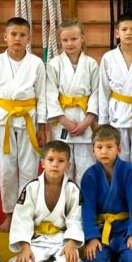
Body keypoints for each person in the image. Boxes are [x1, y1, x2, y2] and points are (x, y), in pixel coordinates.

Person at [0, 16, 47, 232]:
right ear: (5, 37)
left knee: (29, 169)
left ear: (29, 38)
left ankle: (26, 214)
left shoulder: (37, 63)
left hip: (29, 118)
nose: (17, 39)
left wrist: (42, 126)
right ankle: (10, 214)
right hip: (3, 120)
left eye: (22, 35)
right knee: (6, 170)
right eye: (13, 34)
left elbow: (42, 96)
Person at [98, 13, 132, 207]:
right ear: (117, 33)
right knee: (117, 161)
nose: (128, 33)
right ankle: (118, 202)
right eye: (124, 29)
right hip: (116, 117)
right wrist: (103, 123)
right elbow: (103, 91)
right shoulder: (108, 58)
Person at [8, 140, 84, 262]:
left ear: (68, 165)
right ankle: (42, 259)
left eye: (61, 161)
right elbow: (22, 218)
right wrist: (25, 247)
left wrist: (71, 244)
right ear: (43, 163)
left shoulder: (72, 189)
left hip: (61, 239)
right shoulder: (32, 188)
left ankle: (47, 260)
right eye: (50, 160)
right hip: (37, 239)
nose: (55, 164)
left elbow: (76, 218)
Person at [80, 124, 132, 262]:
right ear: (93, 151)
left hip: (125, 228)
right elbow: (87, 210)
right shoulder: (89, 176)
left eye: (109, 147)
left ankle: (120, 249)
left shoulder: (128, 171)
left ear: (119, 149)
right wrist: (92, 237)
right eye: (99, 147)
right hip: (101, 229)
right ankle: (109, 252)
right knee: (93, 261)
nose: (104, 151)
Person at [45, 19, 99, 181]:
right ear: (60, 42)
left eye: (74, 39)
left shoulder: (91, 64)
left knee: (86, 168)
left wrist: (88, 121)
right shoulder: (54, 64)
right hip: (62, 122)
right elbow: (50, 94)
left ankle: (85, 198)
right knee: (62, 166)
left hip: (85, 121)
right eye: (65, 40)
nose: (69, 43)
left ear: (82, 38)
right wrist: (63, 120)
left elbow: (96, 93)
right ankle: (64, 197)